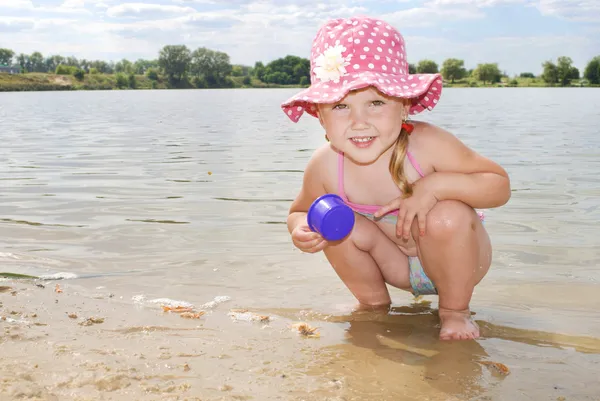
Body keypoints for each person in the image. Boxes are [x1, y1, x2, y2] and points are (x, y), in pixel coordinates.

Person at [281, 15, 511, 340]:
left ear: (403, 105)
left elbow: (498, 185)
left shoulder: (428, 145)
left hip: (457, 258)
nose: (359, 122)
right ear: (320, 115)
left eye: (375, 103)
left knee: (446, 212)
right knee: (332, 218)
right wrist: (301, 228)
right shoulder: (325, 165)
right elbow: (298, 210)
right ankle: (373, 308)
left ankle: (455, 312)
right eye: (341, 107)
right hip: (394, 265)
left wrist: (434, 186)